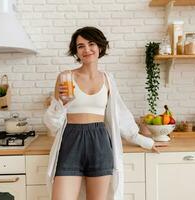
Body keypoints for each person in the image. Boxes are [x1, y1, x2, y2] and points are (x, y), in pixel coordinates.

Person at [44, 26, 165, 200]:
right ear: (75, 51)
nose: (86, 49)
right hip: (70, 141)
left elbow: (120, 115)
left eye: (91, 44)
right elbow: (53, 125)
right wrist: (60, 105)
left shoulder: (108, 80)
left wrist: (145, 141)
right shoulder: (65, 77)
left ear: (100, 47)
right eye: (80, 46)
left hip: (99, 142)